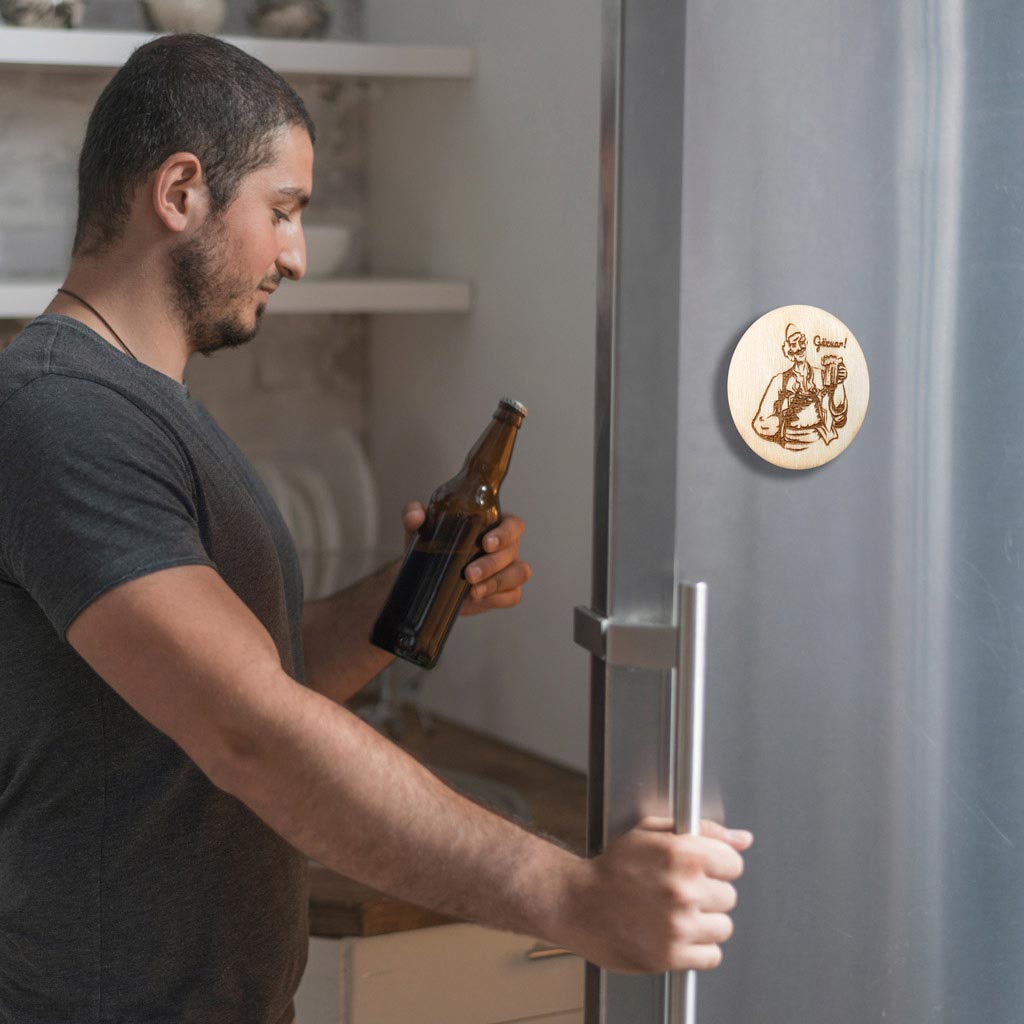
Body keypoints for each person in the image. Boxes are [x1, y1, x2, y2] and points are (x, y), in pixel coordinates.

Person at [0, 33, 752, 1024]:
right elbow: (248, 731)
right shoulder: (64, 414)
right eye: (283, 211)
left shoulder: (144, 408)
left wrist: (413, 587)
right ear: (181, 192)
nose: (297, 256)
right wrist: (573, 897)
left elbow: (256, 678)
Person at [752, 321, 848, 450]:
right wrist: (785, 415)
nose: (799, 347)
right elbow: (759, 424)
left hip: (821, 445)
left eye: (801, 341)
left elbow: (839, 418)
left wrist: (839, 383)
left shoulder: (822, 376)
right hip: (788, 445)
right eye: (793, 344)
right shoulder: (779, 381)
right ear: (788, 350)